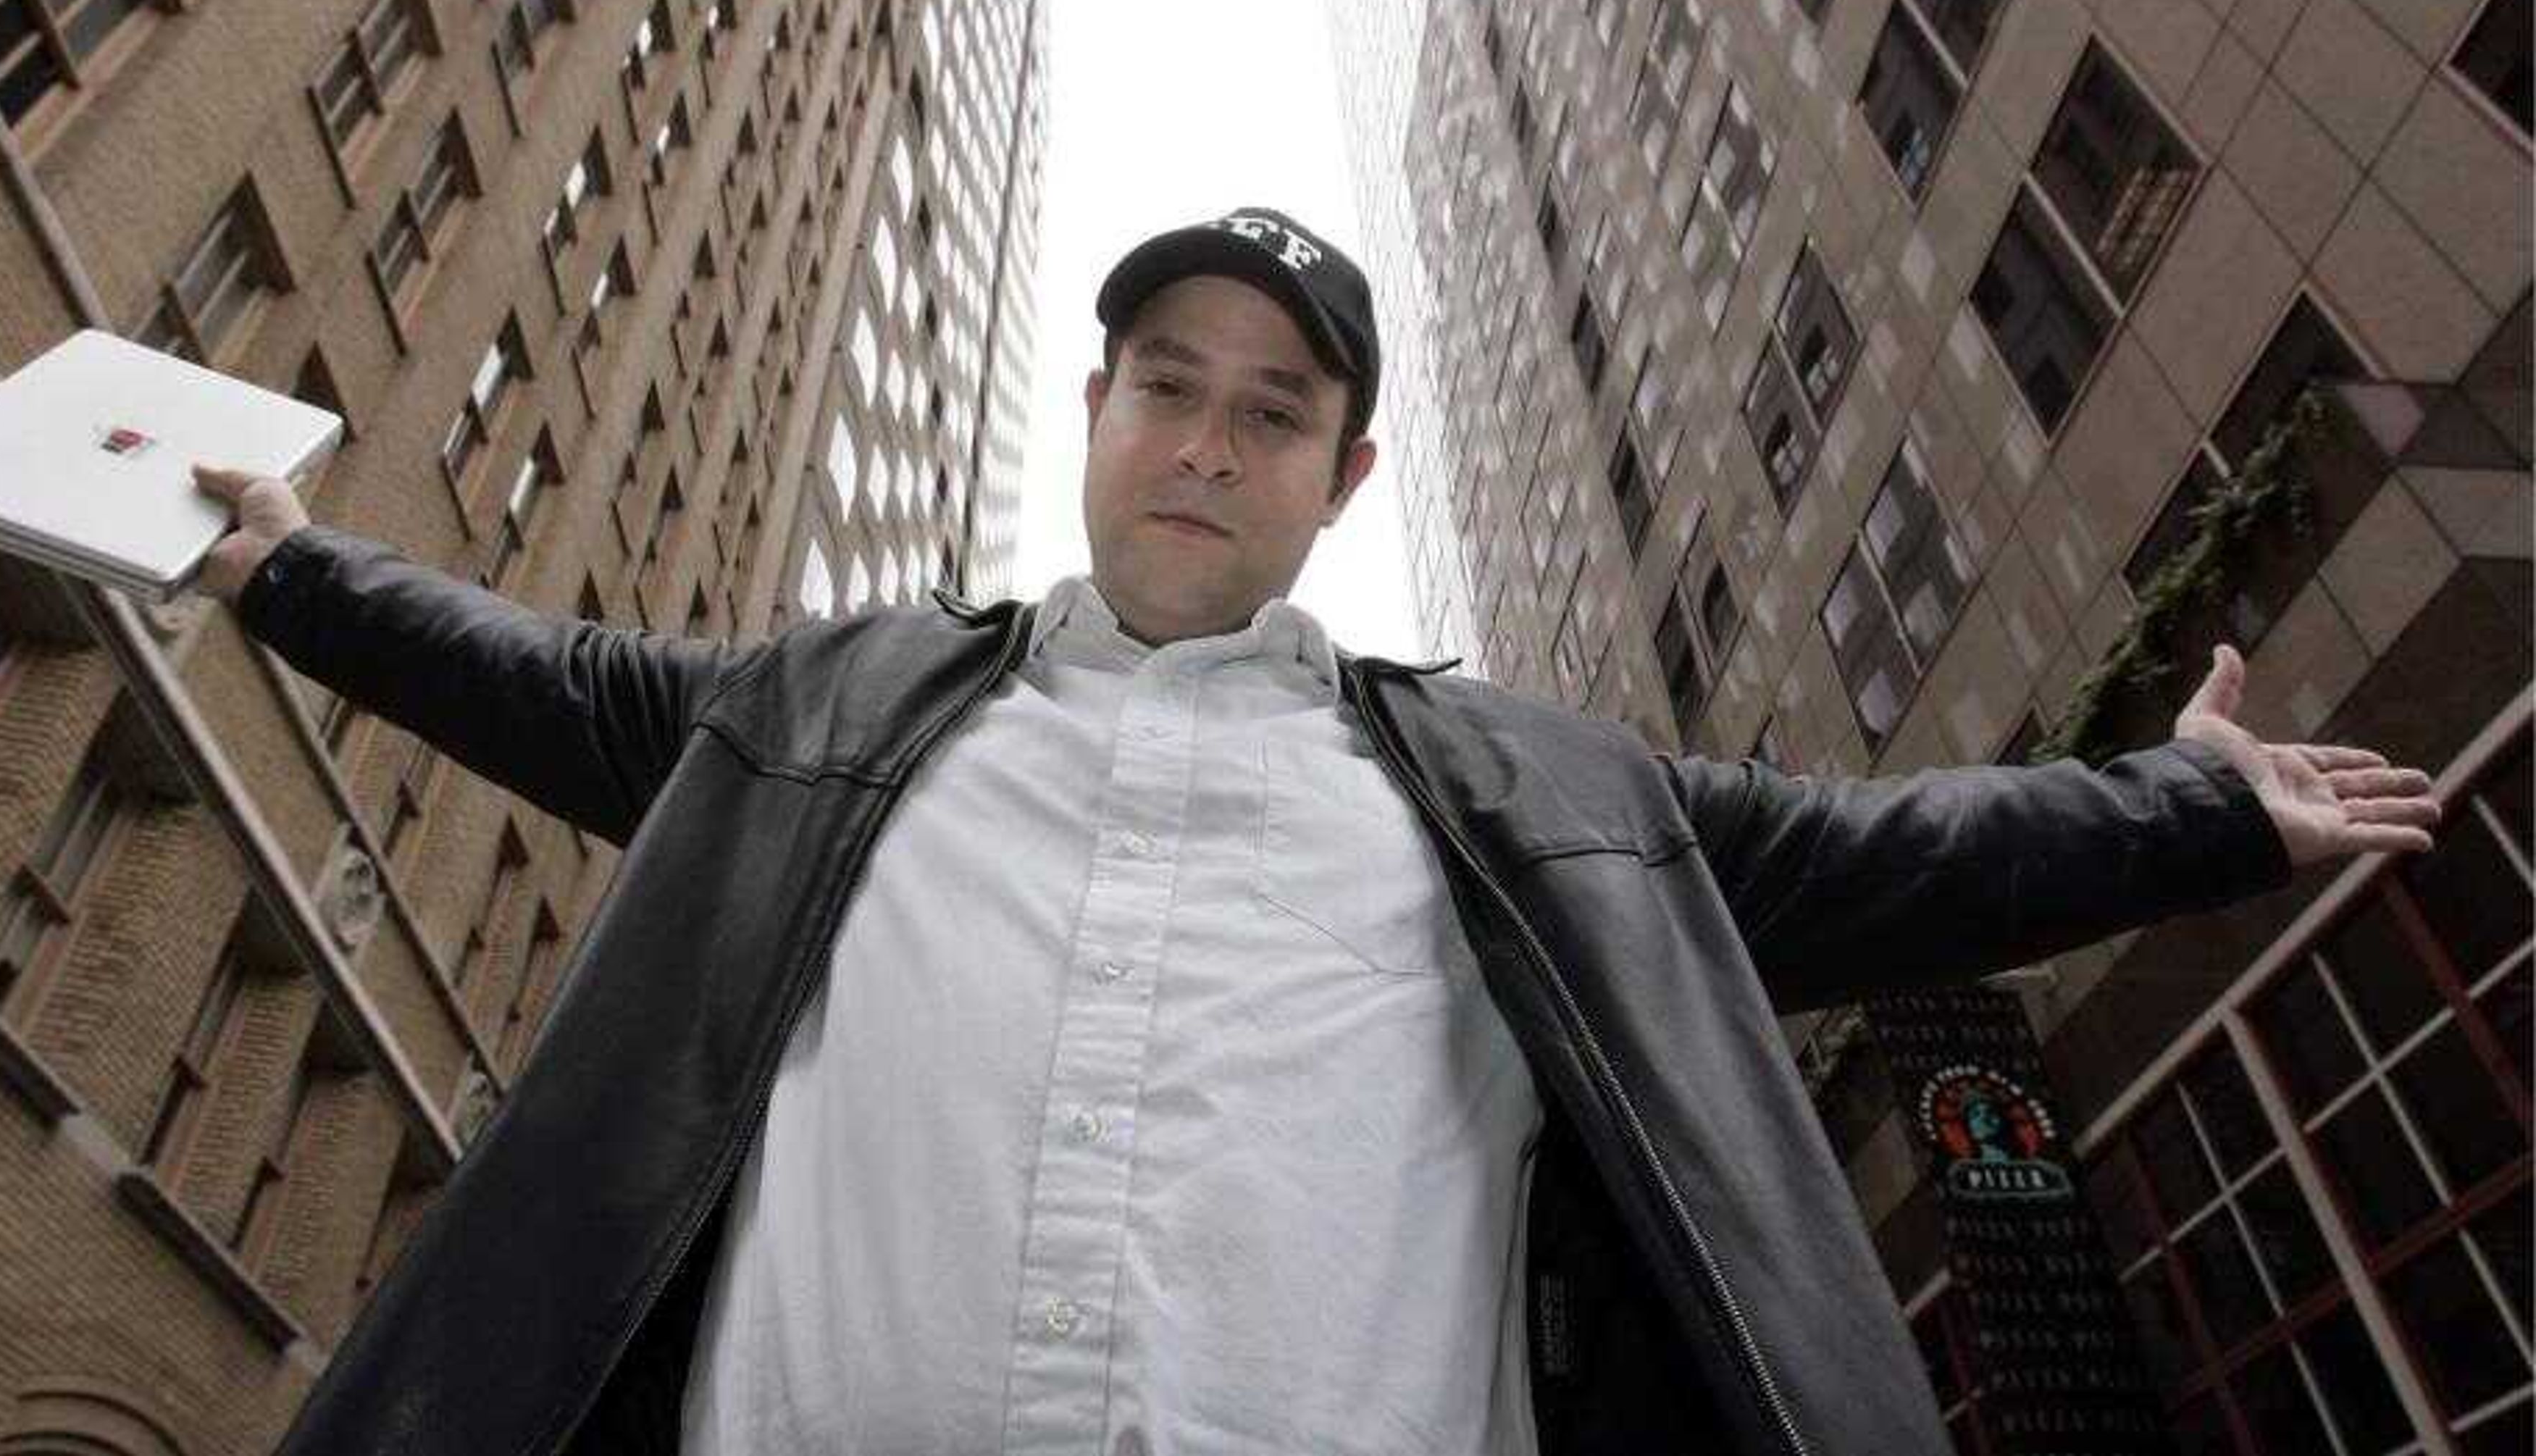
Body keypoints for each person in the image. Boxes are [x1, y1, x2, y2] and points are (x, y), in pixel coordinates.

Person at [193, 206, 2440, 1456]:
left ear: (1341, 478)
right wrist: (287, 567)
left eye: (1272, 411)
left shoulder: (1525, 798)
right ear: (1093, 414)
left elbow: (1894, 856)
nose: (1204, 440)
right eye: (1166, 384)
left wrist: (2182, 805)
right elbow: (538, 676)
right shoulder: (825, 718)